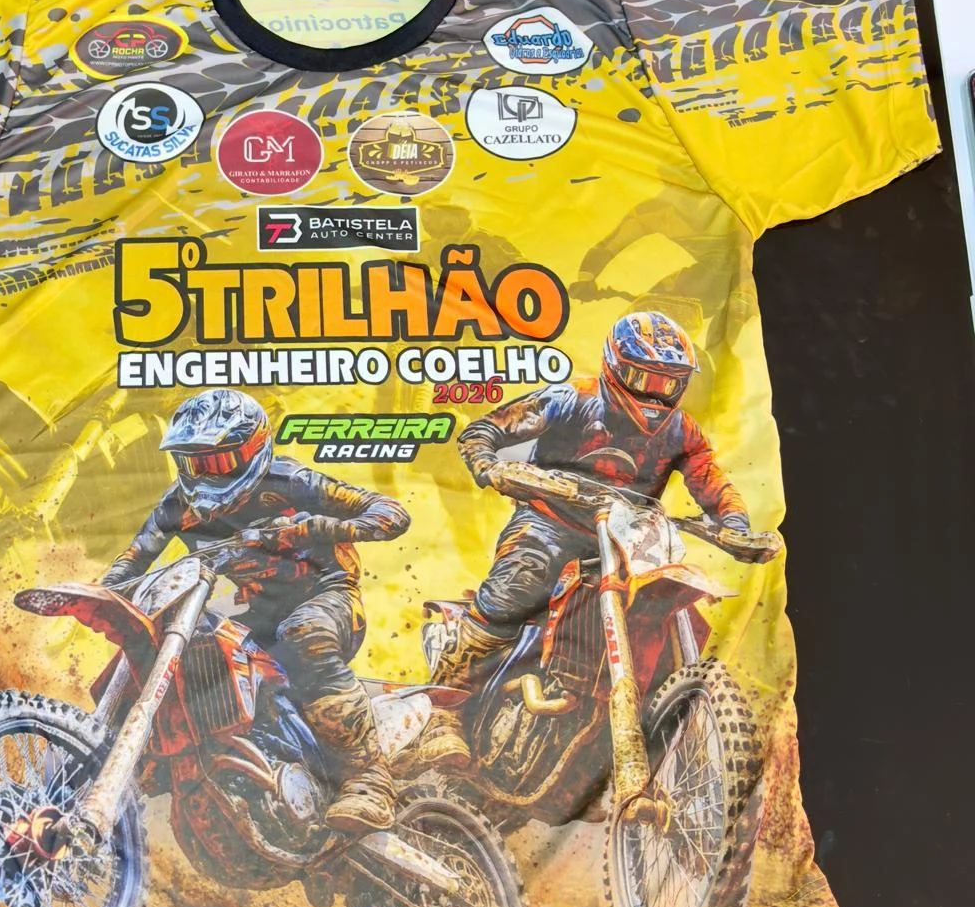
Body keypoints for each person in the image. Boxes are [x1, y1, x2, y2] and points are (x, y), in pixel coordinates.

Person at [417, 311, 751, 768]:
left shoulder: (682, 430)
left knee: (671, 601)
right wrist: (490, 465)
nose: (655, 393)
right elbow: (486, 429)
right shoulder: (570, 398)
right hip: (550, 521)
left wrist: (735, 523)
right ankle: (444, 713)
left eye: (668, 382)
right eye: (643, 378)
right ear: (616, 368)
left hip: (627, 536)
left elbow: (710, 479)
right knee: (519, 582)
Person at [102, 388, 410, 834]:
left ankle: (369, 778)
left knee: (303, 632)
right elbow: (131, 563)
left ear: (254, 451)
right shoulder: (176, 505)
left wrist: (310, 527)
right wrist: (102, 594)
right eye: (193, 463)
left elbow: (390, 513)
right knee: (187, 644)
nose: (205, 476)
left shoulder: (290, 482)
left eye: (219, 462)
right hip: (254, 615)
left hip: (327, 599)